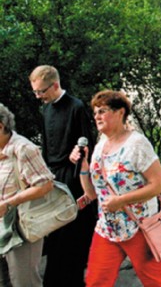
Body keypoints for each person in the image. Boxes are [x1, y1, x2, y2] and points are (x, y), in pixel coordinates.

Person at [68, 90, 161, 286]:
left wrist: (121, 201)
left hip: (139, 227)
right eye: (95, 112)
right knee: (96, 281)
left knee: (155, 281)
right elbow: (92, 193)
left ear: (120, 112)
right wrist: (83, 168)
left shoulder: (137, 144)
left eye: (102, 111)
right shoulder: (100, 145)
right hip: (108, 228)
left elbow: (160, 184)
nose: (97, 116)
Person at [29, 65, 96, 286]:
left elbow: (87, 145)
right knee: (54, 234)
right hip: (52, 176)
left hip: (74, 178)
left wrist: (78, 155)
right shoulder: (46, 109)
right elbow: (48, 147)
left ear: (55, 85)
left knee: (72, 236)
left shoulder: (76, 107)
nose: (39, 96)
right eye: (36, 92)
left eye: (42, 91)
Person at [0, 104, 54, 287]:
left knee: (24, 283)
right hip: (1, 229)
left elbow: (46, 185)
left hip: (22, 228)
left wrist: (9, 203)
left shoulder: (23, 149)